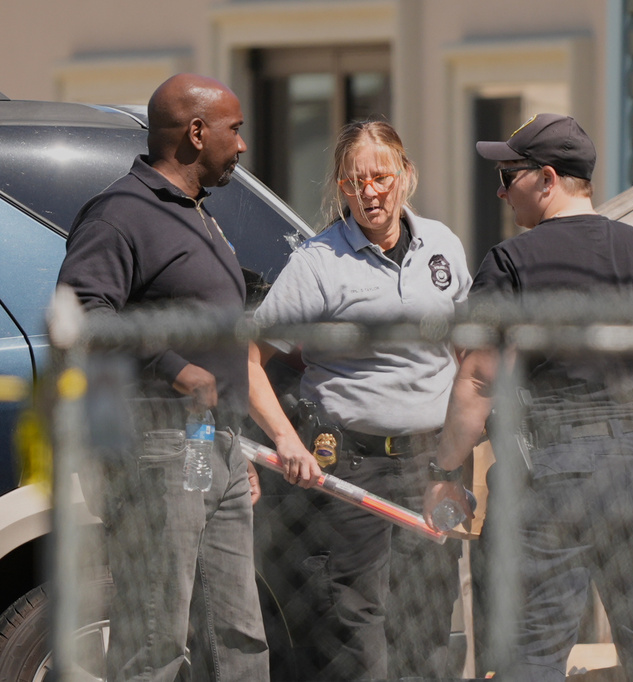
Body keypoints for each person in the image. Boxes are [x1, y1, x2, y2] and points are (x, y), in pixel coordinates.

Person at [423, 113, 633, 681]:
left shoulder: (511, 263)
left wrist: (444, 468)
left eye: (509, 176)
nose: (501, 191)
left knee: (532, 654)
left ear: (547, 178)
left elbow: (479, 378)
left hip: (554, 476)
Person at [56, 74, 269, 682]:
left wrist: (234, 443)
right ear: (197, 133)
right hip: (159, 443)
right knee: (155, 636)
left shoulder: (197, 213)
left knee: (239, 635)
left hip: (214, 445)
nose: (243, 145)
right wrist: (172, 368)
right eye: (236, 129)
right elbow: (84, 315)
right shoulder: (121, 213)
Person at [247, 120, 472, 680]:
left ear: (406, 175)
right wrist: (285, 439)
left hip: (434, 466)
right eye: (354, 182)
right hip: (350, 471)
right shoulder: (318, 263)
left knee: (431, 618)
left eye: (380, 176)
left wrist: (462, 457)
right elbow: (246, 360)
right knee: (353, 629)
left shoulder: (444, 246)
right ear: (341, 189)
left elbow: (471, 355)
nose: (369, 192)